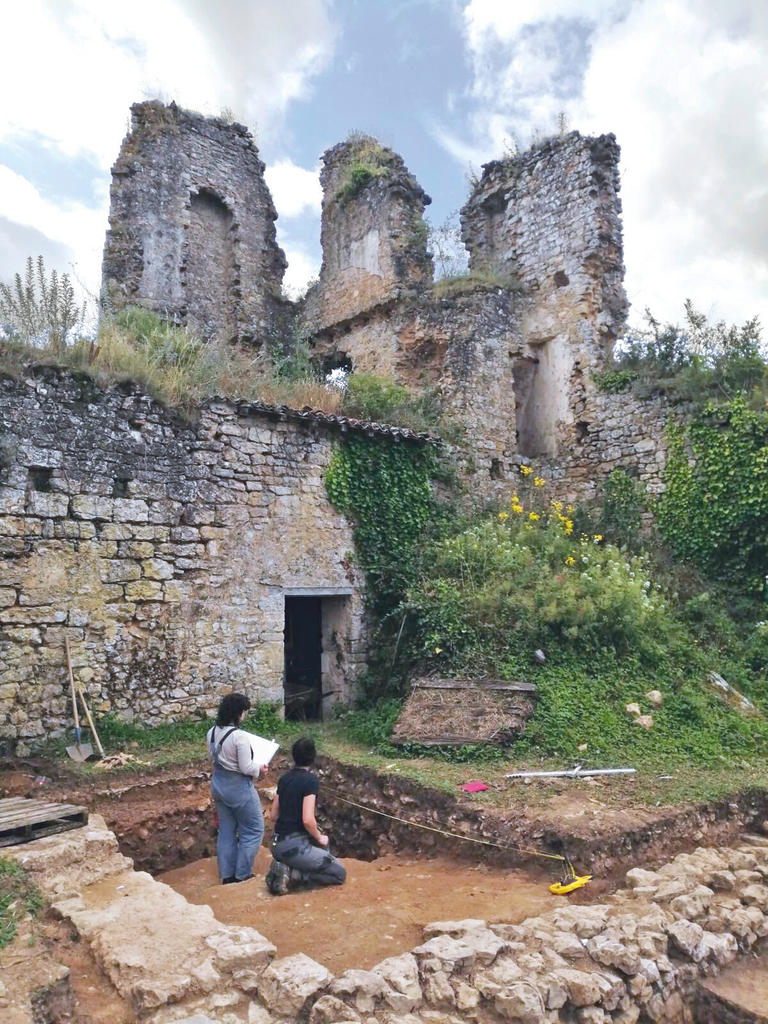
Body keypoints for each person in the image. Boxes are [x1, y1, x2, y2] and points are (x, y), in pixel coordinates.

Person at [266, 736, 346, 895]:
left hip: (277, 844)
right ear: (313, 757)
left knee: (320, 848)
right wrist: (319, 837)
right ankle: (294, 875)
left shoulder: (284, 779)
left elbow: (273, 815)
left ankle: (285, 868)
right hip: (294, 846)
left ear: (294, 757)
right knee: (339, 873)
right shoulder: (310, 781)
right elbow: (308, 820)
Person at [207, 692, 266, 884]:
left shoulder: (212, 732)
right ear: (238, 713)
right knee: (253, 829)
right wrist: (260, 768)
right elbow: (246, 767)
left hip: (219, 785)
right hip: (238, 788)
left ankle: (227, 875)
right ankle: (243, 873)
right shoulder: (239, 737)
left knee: (226, 830)